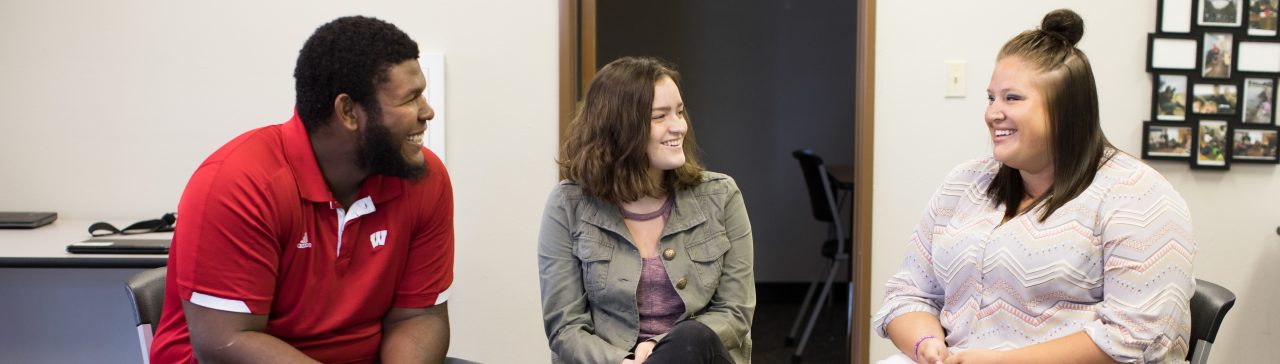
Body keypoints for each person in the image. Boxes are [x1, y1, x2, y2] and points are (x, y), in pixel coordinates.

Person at [872, 9, 1195, 364]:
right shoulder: (964, 183)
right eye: (991, 97)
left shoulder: (1138, 196)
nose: (993, 113)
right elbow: (909, 294)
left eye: (1012, 98)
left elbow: (1137, 339)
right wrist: (925, 345)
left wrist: (999, 362)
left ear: (1066, 110)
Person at [150, 16, 454, 363]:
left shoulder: (423, 178)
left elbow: (418, 317)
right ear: (349, 112)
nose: (427, 112)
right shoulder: (239, 184)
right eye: (411, 99)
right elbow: (225, 343)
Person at [538, 57, 755, 364]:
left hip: (698, 357)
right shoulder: (567, 205)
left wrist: (660, 347)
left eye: (679, 112)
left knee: (691, 337)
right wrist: (623, 362)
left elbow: (735, 313)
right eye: (660, 116)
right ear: (619, 126)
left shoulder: (721, 196)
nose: (679, 126)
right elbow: (565, 328)